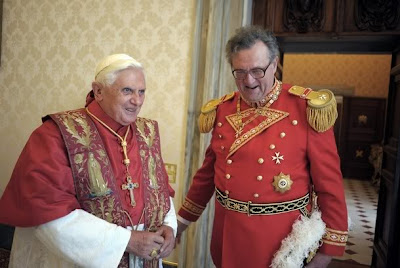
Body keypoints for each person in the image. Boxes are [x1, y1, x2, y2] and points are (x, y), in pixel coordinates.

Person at [176, 26, 348, 268]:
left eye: (258, 70)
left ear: (275, 64)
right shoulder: (224, 109)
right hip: (228, 238)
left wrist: (326, 252)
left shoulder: (306, 108)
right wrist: (180, 222)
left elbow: (329, 187)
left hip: (282, 245)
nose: (248, 81)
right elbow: (207, 175)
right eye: (240, 72)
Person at [0, 53, 177, 268]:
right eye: (127, 90)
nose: (137, 101)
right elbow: (47, 215)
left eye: (141, 92)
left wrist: (169, 227)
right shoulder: (56, 134)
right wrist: (126, 241)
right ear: (99, 91)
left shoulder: (146, 131)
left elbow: (160, 189)